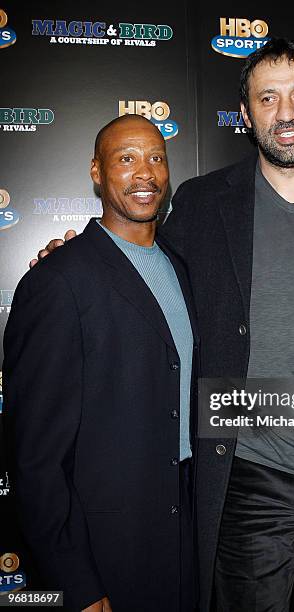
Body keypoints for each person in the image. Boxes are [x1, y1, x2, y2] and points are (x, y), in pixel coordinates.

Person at [32, 38, 294, 612]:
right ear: (247, 116)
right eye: (267, 99)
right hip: (249, 470)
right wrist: (75, 255)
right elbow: (140, 261)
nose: (285, 113)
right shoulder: (201, 204)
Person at [3, 114, 199, 612]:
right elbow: (36, 458)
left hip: (186, 537)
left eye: (157, 158)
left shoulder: (183, 268)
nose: (146, 173)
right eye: (126, 159)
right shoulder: (58, 281)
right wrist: (78, 584)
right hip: (106, 547)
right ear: (96, 172)